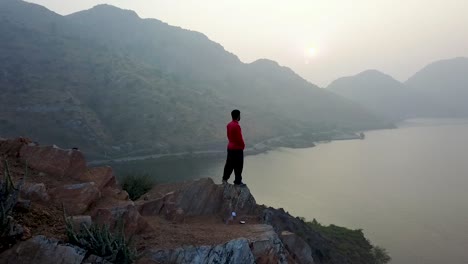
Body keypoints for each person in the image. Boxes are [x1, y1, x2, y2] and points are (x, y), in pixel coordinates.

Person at [222, 109, 246, 187]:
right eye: (239, 115)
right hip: (237, 149)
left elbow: (228, 136)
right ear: (238, 116)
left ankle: (224, 179)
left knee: (229, 164)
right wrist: (242, 145)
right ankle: (237, 182)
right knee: (238, 166)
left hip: (230, 147)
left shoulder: (229, 125)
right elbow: (239, 138)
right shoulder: (237, 126)